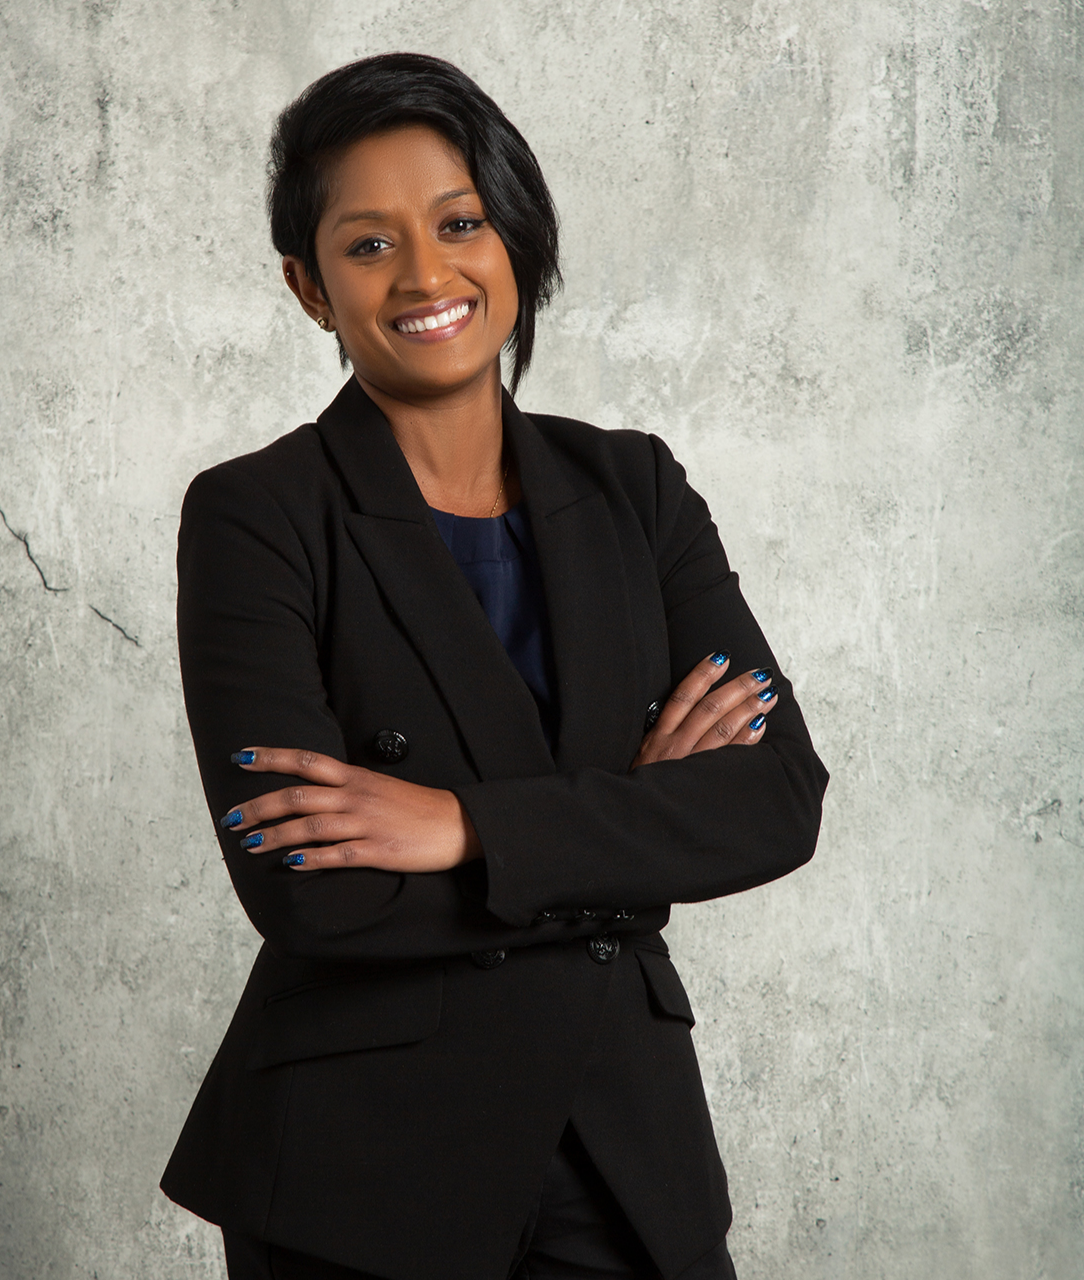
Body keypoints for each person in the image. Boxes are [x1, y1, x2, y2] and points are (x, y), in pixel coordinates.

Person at [161, 52, 828, 1280]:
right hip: (363, 1170)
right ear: (308, 287)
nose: (426, 274)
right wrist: (632, 828)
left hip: (628, 1153)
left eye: (459, 223)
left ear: (515, 235)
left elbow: (775, 798)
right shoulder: (257, 514)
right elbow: (310, 889)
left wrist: (458, 825)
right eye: (369, 244)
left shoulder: (635, 489)